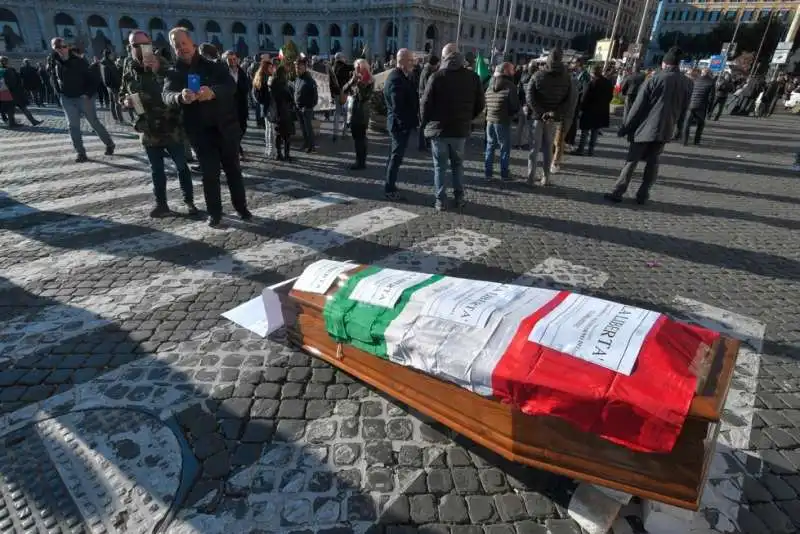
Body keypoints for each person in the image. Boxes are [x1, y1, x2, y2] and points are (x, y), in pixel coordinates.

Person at [162, 27, 250, 227]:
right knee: (210, 175)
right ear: (173, 48)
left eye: (184, 43)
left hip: (225, 128)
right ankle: (215, 212)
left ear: (192, 43)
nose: (181, 48)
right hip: (200, 132)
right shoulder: (173, 72)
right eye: (177, 46)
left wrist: (212, 92)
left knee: (233, 171)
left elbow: (230, 87)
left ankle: (241, 206)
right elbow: (166, 95)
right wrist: (179, 97)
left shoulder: (214, 66)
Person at [120, 30, 197, 218]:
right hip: (147, 128)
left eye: (144, 44)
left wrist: (157, 71)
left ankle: (189, 201)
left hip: (170, 126)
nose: (140, 49)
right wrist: (125, 101)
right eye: (135, 46)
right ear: (130, 47)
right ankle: (161, 204)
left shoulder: (165, 65)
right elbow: (122, 92)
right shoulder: (128, 68)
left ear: (151, 44)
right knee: (156, 170)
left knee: (181, 166)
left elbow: (176, 89)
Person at [605, 47, 692, 205]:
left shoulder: (655, 79)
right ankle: (643, 194)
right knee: (653, 162)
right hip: (666, 128)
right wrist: (679, 128)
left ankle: (618, 191)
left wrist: (625, 127)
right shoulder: (687, 82)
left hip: (645, 128)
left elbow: (638, 107)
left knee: (632, 160)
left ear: (664, 63)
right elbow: (685, 109)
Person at [420, 43, 484, 211]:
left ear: (445, 57)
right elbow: (480, 104)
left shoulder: (437, 76)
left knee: (440, 167)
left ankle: (440, 200)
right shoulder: (473, 77)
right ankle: (459, 198)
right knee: (458, 166)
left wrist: (425, 122)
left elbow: (425, 104)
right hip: (460, 130)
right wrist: (468, 118)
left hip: (439, 130)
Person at [48, 37, 115, 162]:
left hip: (83, 97)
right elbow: (53, 78)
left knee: (94, 122)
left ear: (67, 47)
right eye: (57, 48)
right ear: (54, 49)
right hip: (67, 98)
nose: (61, 50)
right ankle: (81, 153)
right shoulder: (53, 62)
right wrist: (59, 93)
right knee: (73, 126)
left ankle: (109, 143)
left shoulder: (79, 61)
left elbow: (94, 79)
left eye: (63, 46)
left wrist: (87, 94)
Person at [525, 48, 572, 186]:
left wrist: (541, 112)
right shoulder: (566, 78)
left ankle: (530, 177)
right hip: (552, 118)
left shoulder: (538, 75)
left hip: (537, 117)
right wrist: (554, 113)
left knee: (534, 148)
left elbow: (530, 97)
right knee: (548, 148)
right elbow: (568, 100)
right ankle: (546, 177)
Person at [384, 48, 419, 201]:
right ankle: (389, 188)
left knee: (395, 157)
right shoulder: (396, 79)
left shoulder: (402, 76)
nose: (413, 63)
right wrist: (405, 125)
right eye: (410, 60)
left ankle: (390, 184)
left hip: (400, 124)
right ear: (402, 61)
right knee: (395, 157)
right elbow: (398, 106)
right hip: (399, 126)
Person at [483, 62, 520, 180]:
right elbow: (514, 105)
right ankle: (504, 174)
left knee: (490, 147)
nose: (514, 72)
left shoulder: (490, 84)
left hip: (490, 119)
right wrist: (512, 114)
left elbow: (486, 101)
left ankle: (488, 173)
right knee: (504, 148)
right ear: (507, 72)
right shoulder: (510, 85)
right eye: (512, 70)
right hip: (503, 120)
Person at [573, 65, 614, 156]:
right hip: (601, 110)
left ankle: (581, 149)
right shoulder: (608, 83)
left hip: (589, 110)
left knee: (585, 131)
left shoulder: (591, 83)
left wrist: (581, 109)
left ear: (593, 73)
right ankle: (591, 150)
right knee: (595, 131)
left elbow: (584, 97)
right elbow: (610, 96)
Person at [342, 59, 374, 170]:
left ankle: (361, 162)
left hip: (361, 113)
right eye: (357, 67)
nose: (358, 70)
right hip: (353, 111)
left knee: (361, 138)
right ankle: (359, 160)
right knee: (356, 138)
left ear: (365, 68)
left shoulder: (369, 80)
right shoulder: (354, 78)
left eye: (359, 67)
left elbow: (363, 96)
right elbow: (344, 89)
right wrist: (352, 80)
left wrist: (359, 82)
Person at [222, 50, 250, 159]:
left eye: (234, 59)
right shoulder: (223, 73)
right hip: (228, 106)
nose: (233, 61)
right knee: (232, 130)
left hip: (241, 105)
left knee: (242, 128)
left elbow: (246, 86)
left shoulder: (241, 72)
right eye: (230, 60)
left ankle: (237, 147)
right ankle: (236, 149)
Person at [268, 64, 296, 162]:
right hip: (284, 112)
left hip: (276, 112)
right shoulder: (283, 84)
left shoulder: (273, 83)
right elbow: (289, 98)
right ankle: (286, 155)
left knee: (278, 135)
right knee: (286, 136)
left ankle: (279, 154)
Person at [682, 68, 715, 146]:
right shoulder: (711, 83)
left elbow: (689, 92)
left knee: (687, 123)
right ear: (710, 74)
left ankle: (684, 141)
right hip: (701, 106)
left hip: (691, 104)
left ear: (702, 73)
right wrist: (710, 111)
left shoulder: (695, 80)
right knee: (700, 124)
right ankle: (696, 141)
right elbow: (711, 98)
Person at [251, 57, 275, 158]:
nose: (272, 69)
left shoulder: (258, 76)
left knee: (268, 128)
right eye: (270, 67)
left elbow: (254, 93)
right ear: (266, 68)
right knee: (271, 129)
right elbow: (268, 93)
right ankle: (271, 151)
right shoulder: (267, 78)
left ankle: (267, 149)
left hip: (264, 106)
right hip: (269, 105)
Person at [294, 57, 319, 153]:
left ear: (305, 68)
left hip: (306, 109)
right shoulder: (297, 78)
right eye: (296, 68)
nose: (297, 70)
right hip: (298, 107)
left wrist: (308, 107)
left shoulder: (310, 81)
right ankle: (306, 143)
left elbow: (315, 97)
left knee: (308, 129)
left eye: (299, 68)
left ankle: (311, 146)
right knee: (303, 128)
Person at [329, 52, 354, 142]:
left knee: (337, 113)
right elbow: (354, 66)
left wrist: (332, 94)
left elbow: (330, 83)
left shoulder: (332, 68)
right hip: (344, 93)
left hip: (336, 93)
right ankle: (344, 132)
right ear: (341, 58)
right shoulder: (344, 67)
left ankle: (335, 133)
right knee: (345, 113)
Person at [417, 54, 439, 151]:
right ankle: (422, 144)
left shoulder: (426, 70)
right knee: (423, 124)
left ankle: (425, 143)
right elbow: (428, 88)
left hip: (424, 98)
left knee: (425, 123)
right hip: (424, 100)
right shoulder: (428, 71)